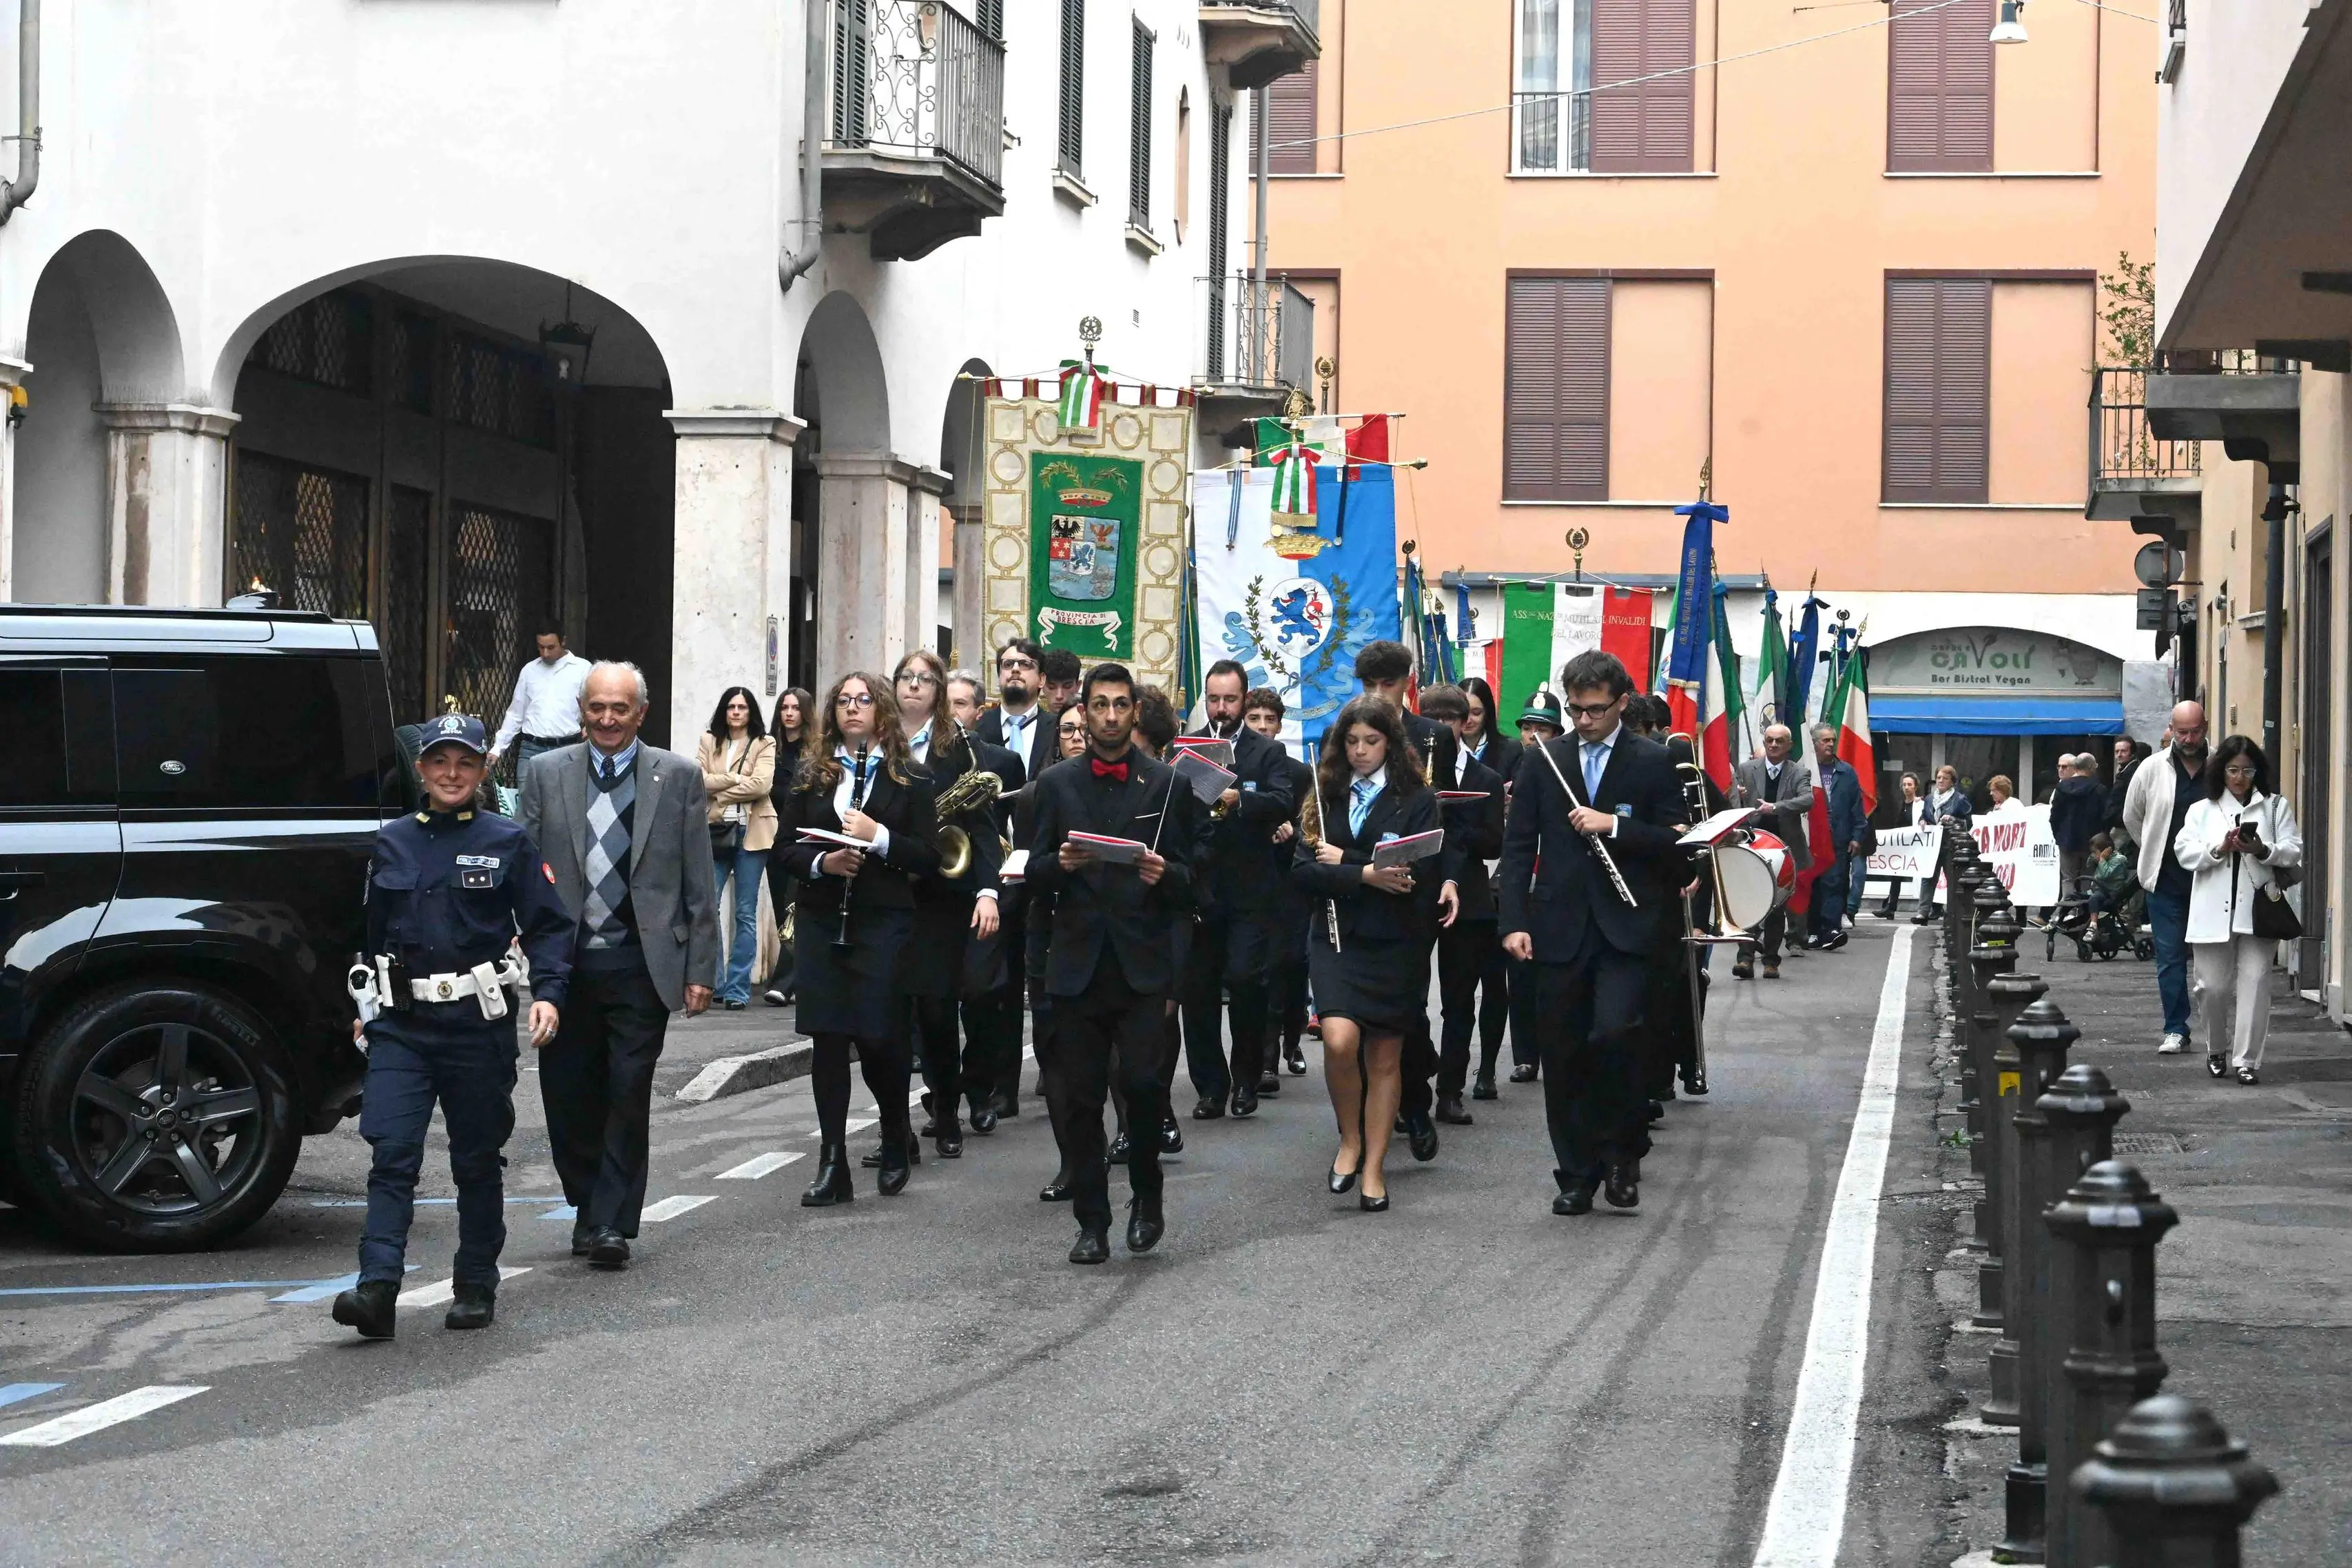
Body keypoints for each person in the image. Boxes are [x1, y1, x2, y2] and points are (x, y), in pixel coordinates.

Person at [332, 714, 573, 1340]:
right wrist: (361, 1010)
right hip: (402, 1026)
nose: (451, 773)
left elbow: (549, 926)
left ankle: (475, 1284)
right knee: (392, 1155)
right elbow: (367, 936)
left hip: (476, 1026)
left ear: (483, 769)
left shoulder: (508, 841)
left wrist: (549, 995)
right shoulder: (391, 842)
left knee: (476, 1159)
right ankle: (376, 1288)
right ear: (421, 769)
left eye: (465, 762)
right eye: (440, 761)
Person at [518, 663, 718, 1269]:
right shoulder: (546, 772)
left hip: (643, 963)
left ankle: (610, 1222)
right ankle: (589, 1205)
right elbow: (523, 866)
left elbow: (698, 878)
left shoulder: (677, 776)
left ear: (641, 714)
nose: (607, 719)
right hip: (565, 968)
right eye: (597, 707)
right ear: (583, 710)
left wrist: (700, 968)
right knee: (568, 1097)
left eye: (619, 709)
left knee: (628, 1092)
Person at [1497, 650, 1683, 1217]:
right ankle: (1576, 1174)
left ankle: (1622, 1152)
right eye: (1576, 709)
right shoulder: (1543, 761)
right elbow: (1518, 845)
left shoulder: (1653, 761)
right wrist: (1514, 921)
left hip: (1628, 927)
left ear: (1622, 703)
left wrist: (1616, 826)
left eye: (1596, 709)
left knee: (1615, 1035)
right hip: (1559, 926)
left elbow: (1676, 843)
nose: (1584, 720)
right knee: (1563, 1052)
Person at [1026, 663, 1195, 1263]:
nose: (1110, 716)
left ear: (1135, 712)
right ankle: (1091, 1221)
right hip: (1076, 963)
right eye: (1100, 705)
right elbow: (1031, 873)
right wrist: (1059, 865)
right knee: (1079, 1098)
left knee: (1144, 1087)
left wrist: (1165, 873)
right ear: (1085, 710)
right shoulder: (1055, 784)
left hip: (1142, 963)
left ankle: (1147, 1194)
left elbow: (1194, 880)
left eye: (1121, 705)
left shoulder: (1167, 784)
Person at [774, 672, 942, 1203]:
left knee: (878, 1037)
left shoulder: (911, 778)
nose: (852, 708)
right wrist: (824, 862)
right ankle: (833, 1164)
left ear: (881, 710)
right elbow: (784, 849)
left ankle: (895, 1132)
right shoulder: (812, 775)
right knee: (827, 1038)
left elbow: (929, 857)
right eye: (844, 700)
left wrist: (879, 837)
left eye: (863, 700)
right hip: (824, 918)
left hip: (882, 920)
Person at [1289, 694, 1441, 1211]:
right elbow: (1302, 870)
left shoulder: (1417, 798)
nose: (1360, 751)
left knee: (1384, 1057)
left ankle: (1374, 1167)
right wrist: (1366, 875)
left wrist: (1350, 864)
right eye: (1351, 741)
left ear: (1390, 743)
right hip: (1335, 937)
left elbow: (1415, 875)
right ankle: (1349, 1139)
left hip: (1396, 941)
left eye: (1371, 741)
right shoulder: (1323, 791)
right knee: (1338, 1039)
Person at [892, 650, 1006, 1158]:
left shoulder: (955, 747)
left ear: (938, 690)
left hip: (940, 897)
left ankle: (945, 1109)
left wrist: (988, 891)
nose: (914, 685)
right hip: (887, 892)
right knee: (889, 1018)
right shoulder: (876, 741)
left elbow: (980, 825)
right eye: (906, 677)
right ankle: (895, 1130)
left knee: (937, 1012)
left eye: (925, 679)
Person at [1352, 640, 1459, 1164]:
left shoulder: (1434, 736)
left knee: (1406, 1008)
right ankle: (1365, 1115)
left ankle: (1414, 1102)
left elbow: (1448, 815)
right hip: (1359, 885)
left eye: (1387, 685)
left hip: (1414, 889)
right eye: (1369, 685)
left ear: (1406, 684)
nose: (1378, 694)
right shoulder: (1347, 732)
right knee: (1355, 1012)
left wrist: (1451, 878)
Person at [1179, 659, 1298, 1120]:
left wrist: (1239, 799)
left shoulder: (1266, 751)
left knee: (1248, 983)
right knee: (1199, 993)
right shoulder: (1186, 747)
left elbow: (1283, 800)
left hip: (1250, 890)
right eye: (1214, 700)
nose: (1222, 708)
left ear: (1244, 700)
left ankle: (1246, 1078)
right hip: (1201, 889)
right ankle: (1211, 1087)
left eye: (1230, 700)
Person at [2175, 736, 2301, 1084]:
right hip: (2212, 911)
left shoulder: (2275, 807)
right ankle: (2216, 1047)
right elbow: (2184, 852)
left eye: (2248, 770)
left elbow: (2294, 850)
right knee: (2211, 988)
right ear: (2221, 771)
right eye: (2233, 769)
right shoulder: (2202, 810)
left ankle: (2247, 1060)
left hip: (2260, 911)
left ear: (2258, 771)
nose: (2240, 778)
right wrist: (2219, 849)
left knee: (2256, 984)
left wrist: (2263, 850)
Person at [969, 638, 1055, 1119]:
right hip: (992, 875)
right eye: (1006, 665)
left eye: (1024, 665)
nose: (1014, 671)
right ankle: (999, 1087)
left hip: (1040, 871)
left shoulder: (1058, 729)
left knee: (1037, 980)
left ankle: (1051, 1068)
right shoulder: (977, 731)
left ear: (1041, 678)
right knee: (996, 986)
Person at [1420, 683, 1509, 1114]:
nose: (1441, 728)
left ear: (1464, 723)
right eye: (1432, 720)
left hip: (1469, 898)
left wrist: (1453, 821)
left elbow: (1494, 842)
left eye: (1450, 720)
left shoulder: (1485, 778)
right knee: (1408, 997)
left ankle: (1450, 1091)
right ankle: (1411, 1083)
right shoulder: (1408, 774)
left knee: (1459, 1001)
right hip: (1416, 892)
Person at [2123, 701, 2210, 1054]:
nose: (2189, 739)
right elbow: (2132, 816)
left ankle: (2217, 1032)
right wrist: (2153, 848)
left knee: (2213, 964)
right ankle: (2176, 1028)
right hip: (2165, 881)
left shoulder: (2219, 766)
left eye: (2195, 732)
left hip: (2211, 879)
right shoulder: (2152, 768)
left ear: (2206, 728)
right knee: (2170, 958)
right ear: (2171, 730)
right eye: (2182, 732)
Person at [1246, 685, 1317, 1080]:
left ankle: (1292, 1039)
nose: (1262, 726)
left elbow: (1311, 829)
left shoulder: (1298, 772)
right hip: (1256, 879)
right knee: (1266, 967)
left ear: (1279, 724)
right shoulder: (1238, 766)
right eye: (1254, 718)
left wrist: (1293, 834)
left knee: (1295, 964)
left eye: (1269, 720)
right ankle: (1267, 1056)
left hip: (1291, 880)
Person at [697, 686, 777, 1011]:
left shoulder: (764, 742)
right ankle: (715, 983)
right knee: (709, 906)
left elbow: (762, 785)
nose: (736, 712)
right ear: (724, 710)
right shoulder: (709, 740)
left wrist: (722, 788)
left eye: (742, 707)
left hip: (752, 833)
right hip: (715, 831)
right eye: (731, 707)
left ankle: (737, 990)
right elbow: (699, 780)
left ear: (750, 711)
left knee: (745, 912)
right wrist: (736, 780)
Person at [1504, 687, 1566, 1084]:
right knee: (1521, 975)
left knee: (1557, 976)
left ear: (1557, 734)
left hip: (1556, 885)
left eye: (1542, 730)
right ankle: (1526, 1055)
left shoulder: (1567, 769)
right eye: (1528, 728)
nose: (1533, 736)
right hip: (1518, 882)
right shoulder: (1509, 768)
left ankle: (1558, 1050)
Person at [1730, 723, 1814, 980]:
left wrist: (1775, 807)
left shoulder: (1799, 772)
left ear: (1789, 745)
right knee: (1748, 903)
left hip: (1783, 850)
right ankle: (1745, 960)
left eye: (1779, 741)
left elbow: (1808, 800)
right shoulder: (1746, 769)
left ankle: (1771, 962)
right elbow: (1733, 801)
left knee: (1776, 906)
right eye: (1769, 740)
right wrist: (1739, 798)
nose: (1774, 745)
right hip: (1752, 845)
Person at [761, 687, 814, 1008]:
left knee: (795, 909)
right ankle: (801, 978)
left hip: (804, 840)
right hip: (774, 838)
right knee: (783, 911)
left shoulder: (816, 751)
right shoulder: (772, 749)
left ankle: (783, 983)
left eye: (795, 708)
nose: (789, 713)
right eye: (784, 707)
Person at [488, 622, 592, 773]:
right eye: (541, 647)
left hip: (568, 748)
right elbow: (516, 713)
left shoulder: (583, 669)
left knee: (567, 789)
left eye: (551, 647)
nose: (545, 653)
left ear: (563, 641)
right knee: (527, 790)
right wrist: (498, 748)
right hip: (531, 748)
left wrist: (590, 726)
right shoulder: (529, 670)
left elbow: (593, 704)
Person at [1807, 724, 1866, 951]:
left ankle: (1831, 929)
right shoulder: (1805, 770)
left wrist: (1857, 836)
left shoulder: (1847, 772)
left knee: (1835, 883)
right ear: (1814, 744)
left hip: (1838, 839)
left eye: (1833, 740)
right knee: (1813, 885)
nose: (1831, 744)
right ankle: (1812, 931)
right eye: (1825, 740)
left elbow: (1857, 807)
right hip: (1811, 840)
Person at [1913, 763, 1973, 923]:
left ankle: (1952, 914)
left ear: (1952, 782)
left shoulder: (1959, 800)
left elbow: (1969, 823)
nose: (1940, 781)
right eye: (1938, 778)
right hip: (1933, 846)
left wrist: (1953, 820)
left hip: (1951, 846)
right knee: (1928, 877)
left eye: (1945, 778)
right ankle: (1923, 913)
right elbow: (1925, 816)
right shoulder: (1929, 799)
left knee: (1952, 881)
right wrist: (1922, 821)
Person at [2050, 751, 2105, 896]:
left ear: (2075, 768)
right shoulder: (2099, 789)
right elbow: (2104, 816)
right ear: (2092, 767)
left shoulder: (2062, 788)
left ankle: (2068, 907)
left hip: (2066, 838)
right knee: (2089, 878)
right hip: (2091, 840)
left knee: (2068, 878)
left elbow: (2054, 816)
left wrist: (2059, 835)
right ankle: (2086, 907)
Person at [1875, 772, 1924, 918]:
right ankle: (1890, 907)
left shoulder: (1920, 804)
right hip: (1902, 847)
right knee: (1896, 875)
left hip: (1916, 847)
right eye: (1904, 785)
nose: (1907, 787)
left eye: (1910, 784)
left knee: (1923, 877)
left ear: (1916, 787)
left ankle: (1932, 907)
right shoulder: (1900, 805)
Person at [1460, 674, 1524, 785]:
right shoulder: (1444, 751)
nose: (1468, 720)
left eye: (1476, 713)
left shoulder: (1511, 750)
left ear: (1487, 713)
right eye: (1463, 712)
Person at [2105, 736, 2149, 856]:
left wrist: (2119, 818)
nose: (2119, 755)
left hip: (2125, 828)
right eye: (2117, 751)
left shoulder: (2134, 772)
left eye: (2124, 751)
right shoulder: (2124, 770)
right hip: (2120, 825)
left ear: (2133, 753)